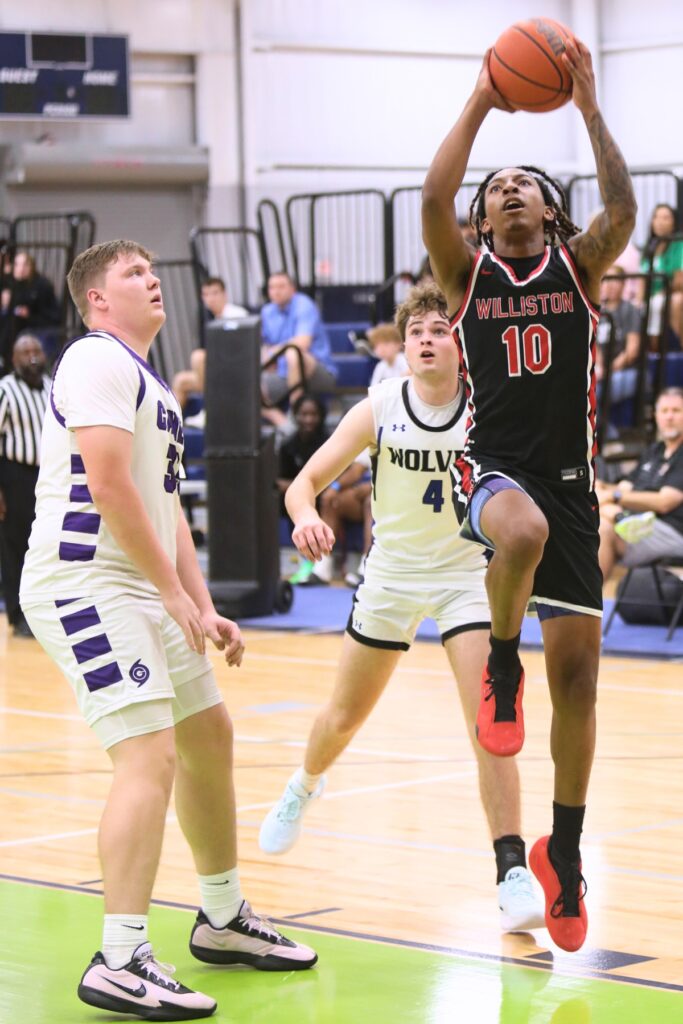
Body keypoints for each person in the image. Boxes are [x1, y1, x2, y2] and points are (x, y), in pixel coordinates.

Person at [19, 240, 317, 1021]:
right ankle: (119, 956)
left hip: (138, 585)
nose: (152, 279)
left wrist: (201, 599)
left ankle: (221, 920)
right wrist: (167, 594)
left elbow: (165, 508)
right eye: (132, 274)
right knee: (146, 753)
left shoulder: (153, 384)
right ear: (96, 300)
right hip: (84, 580)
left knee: (208, 733)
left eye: (154, 271)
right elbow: (111, 485)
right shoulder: (93, 358)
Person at [421, 39, 636, 952]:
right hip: (492, 469)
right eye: (496, 185)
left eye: (524, 182)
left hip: (571, 484)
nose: (509, 189)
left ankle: (567, 856)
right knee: (521, 530)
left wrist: (585, 106)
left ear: (550, 210)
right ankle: (500, 664)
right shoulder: (466, 275)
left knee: (581, 687)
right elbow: (435, 201)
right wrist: (481, 100)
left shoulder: (579, 269)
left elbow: (622, 206)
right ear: (483, 217)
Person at [259, 283, 544, 935]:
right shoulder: (379, 406)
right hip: (390, 574)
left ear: (458, 343)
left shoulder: (488, 411)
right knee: (341, 717)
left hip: (464, 575)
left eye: (437, 327)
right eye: (414, 328)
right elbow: (303, 486)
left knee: (487, 722)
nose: (423, 337)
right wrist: (303, 518)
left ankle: (509, 869)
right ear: (403, 343)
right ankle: (303, 786)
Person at [596, 387, 683, 581]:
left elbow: (664, 502)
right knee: (593, 505)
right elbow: (626, 486)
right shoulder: (655, 450)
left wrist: (613, 496)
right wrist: (603, 488)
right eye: (664, 411)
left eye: (676, 411)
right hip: (638, 520)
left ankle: (590, 607)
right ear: (656, 416)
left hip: (672, 530)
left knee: (603, 529)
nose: (669, 417)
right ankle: (618, 516)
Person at [0, 333, 51, 638]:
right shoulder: (5, 390)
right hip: (14, 475)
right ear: (14, 358)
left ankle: (43, 610)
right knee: (15, 546)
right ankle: (18, 616)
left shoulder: (50, 387)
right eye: (25, 352)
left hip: (46, 476)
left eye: (36, 350)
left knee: (44, 545)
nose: (32, 356)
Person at [260, 271, 338, 428]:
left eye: (281, 286)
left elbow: (302, 343)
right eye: (272, 287)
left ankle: (295, 411)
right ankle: (283, 423)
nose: (276, 291)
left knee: (293, 353)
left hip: (318, 372)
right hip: (283, 374)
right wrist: (266, 356)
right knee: (245, 380)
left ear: (292, 289)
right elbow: (264, 347)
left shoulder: (304, 305)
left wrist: (272, 353)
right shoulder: (267, 311)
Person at [172, 276, 248, 412]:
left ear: (224, 294)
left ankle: (210, 411)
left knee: (198, 356)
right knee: (181, 380)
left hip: (238, 370)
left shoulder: (237, 314)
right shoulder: (210, 319)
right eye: (206, 294)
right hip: (218, 372)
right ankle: (171, 427)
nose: (210, 298)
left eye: (215, 293)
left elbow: (240, 351)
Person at [0, 250, 61, 371]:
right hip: (16, 327)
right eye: (17, 264)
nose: (20, 269)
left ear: (32, 266)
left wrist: (28, 315)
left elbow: (53, 317)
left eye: (25, 264)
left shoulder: (42, 285)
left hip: (36, 327)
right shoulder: (14, 284)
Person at [596, 264, 641, 414]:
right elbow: (595, 345)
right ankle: (607, 432)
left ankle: (607, 434)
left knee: (595, 392)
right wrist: (600, 369)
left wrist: (608, 370)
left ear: (623, 285)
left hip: (628, 371)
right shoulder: (597, 310)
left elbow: (632, 350)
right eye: (606, 280)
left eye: (615, 281)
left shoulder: (630, 310)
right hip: (603, 373)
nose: (610, 285)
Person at [639, 203, 683, 348]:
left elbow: (679, 281)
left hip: (669, 294)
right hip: (650, 297)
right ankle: (652, 360)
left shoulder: (678, 244)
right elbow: (642, 280)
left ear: (674, 222)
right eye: (656, 217)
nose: (660, 221)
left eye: (666, 218)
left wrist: (658, 295)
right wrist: (639, 300)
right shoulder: (649, 246)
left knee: (665, 303)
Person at [367, 322, 409, 386]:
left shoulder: (405, 361)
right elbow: (373, 389)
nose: (381, 349)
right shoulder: (380, 366)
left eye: (386, 344)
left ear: (398, 344)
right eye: (377, 345)